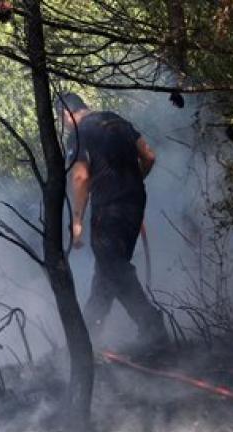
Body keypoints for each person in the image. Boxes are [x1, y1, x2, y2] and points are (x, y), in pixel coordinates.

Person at [55, 93, 170, 350]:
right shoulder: (117, 121)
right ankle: (87, 337)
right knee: (107, 271)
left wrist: (77, 221)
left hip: (108, 208)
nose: (63, 124)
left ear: (66, 113)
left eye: (60, 119)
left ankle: (152, 326)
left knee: (114, 267)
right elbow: (149, 156)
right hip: (134, 204)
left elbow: (81, 178)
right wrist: (133, 184)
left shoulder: (79, 132)